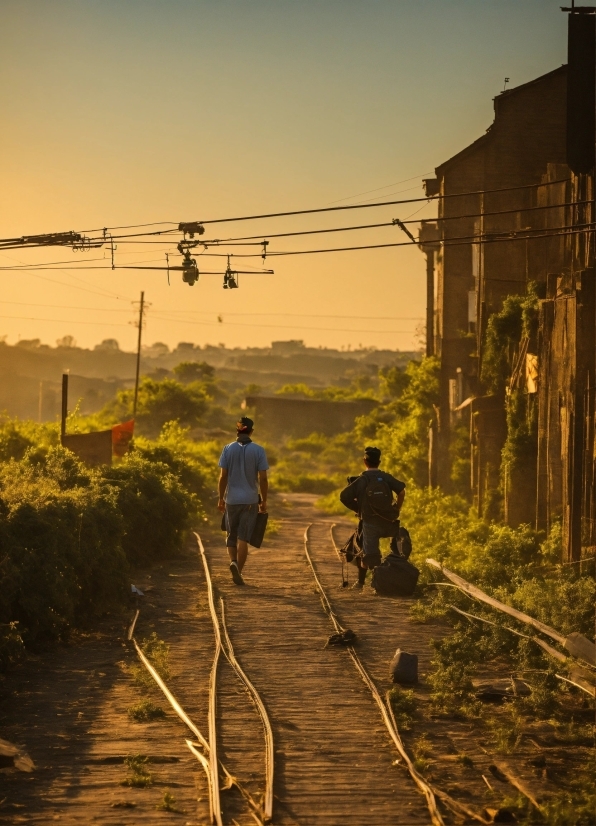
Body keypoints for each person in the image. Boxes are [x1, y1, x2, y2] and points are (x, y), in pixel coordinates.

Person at [339, 446, 406, 589]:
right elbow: (401, 492)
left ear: (365, 461)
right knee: (396, 550)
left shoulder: (362, 480)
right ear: (379, 462)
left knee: (368, 555)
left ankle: (367, 583)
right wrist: (396, 509)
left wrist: (358, 509)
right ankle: (390, 576)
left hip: (369, 523)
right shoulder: (386, 478)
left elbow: (343, 496)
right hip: (389, 522)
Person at [218, 417, 269, 585]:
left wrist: (221, 498)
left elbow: (223, 476)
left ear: (237, 431)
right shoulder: (259, 450)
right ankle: (238, 571)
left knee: (231, 535)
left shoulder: (227, 449)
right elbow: (263, 479)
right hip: (250, 500)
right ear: (251, 431)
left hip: (231, 500)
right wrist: (264, 501)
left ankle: (233, 562)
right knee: (243, 538)